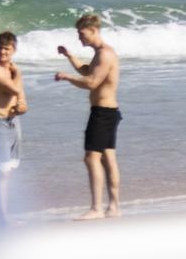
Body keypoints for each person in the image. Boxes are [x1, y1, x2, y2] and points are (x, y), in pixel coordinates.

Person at [56, 13, 122, 220]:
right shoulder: (100, 53)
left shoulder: (105, 54)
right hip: (108, 112)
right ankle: (113, 207)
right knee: (108, 158)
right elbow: (87, 71)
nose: (79, 37)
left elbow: (92, 82)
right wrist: (69, 57)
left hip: (102, 113)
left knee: (91, 158)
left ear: (93, 31)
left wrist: (67, 77)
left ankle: (96, 208)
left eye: (81, 33)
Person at [0, 32, 28, 224]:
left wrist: (22, 105)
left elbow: (21, 96)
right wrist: (17, 75)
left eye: (7, 48)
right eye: (0, 48)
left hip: (13, 122)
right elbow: (13, 88)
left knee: (9, 170)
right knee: (2, 172)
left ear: (13, 50)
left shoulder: (13, 69)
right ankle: (1, 217)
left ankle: (2, 214)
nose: (2, 52)